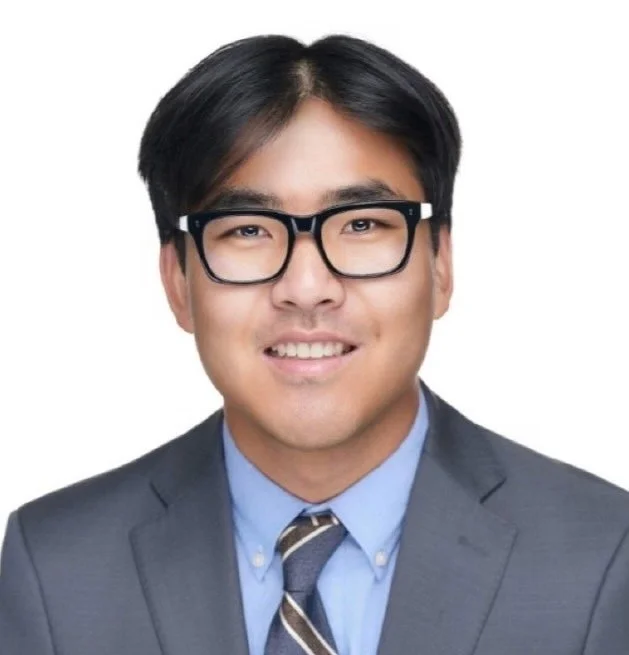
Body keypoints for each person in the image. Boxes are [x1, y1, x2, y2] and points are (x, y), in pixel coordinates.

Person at [1, 33, 628, 655]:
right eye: (247, 230)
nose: (306, 289)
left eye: (362, 224)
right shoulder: (57, 568)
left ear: (440, 264)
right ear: (178, 281)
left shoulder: (603, 556)